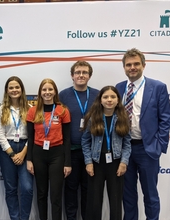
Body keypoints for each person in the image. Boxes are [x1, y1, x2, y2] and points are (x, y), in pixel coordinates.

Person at [115, 48, 170, 220]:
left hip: (147, 149)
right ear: (124, 67)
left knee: (150, 195)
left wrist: (159, 145)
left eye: (136, 64)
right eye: (128, 65)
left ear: (144, 65)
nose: (132, 67)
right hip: (125, 150)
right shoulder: (119, 88)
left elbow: (166, 119)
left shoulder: (157, 87)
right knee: (128, 195)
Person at [81, 86, 131, 220]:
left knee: (115, 201)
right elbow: (85, 141)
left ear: (118, 100)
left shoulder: (123, 118)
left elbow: (127, 143)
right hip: (96, 163)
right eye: (106, 97)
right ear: (100, 100)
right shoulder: (92, 118)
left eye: (113, 97)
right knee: (94, 201)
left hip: (116, 163)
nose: (109, 100)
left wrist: (124, 162)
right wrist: (88, 162)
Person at [26, 78, 72, 220]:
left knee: (56, 194)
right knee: (41, 193)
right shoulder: (33, 111)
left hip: (57, 155)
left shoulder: (62, 111)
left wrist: (68, 162)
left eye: (50, 89)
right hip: (38, 154)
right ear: (40, 92)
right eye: (44, 89)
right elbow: (30, 137)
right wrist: (29, 160)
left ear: (55, 92)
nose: (47, 92)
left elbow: (67, 138)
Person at [59, 60, 99, 220]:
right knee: (70, 189)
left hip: (92, 151)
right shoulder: (63, 95)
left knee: (88, 190)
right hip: (71, 151)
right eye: (77, 72)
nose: (81, 75)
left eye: (84, 72)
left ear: (89, 75)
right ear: (72, 76)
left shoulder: (97, 95)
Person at [0, 76, 33, 220]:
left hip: (25, 148)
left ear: (22, 89)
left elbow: (33, 134)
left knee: (27, 188)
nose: (14, 90)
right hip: (7, 150)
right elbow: (0, 134)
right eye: (11, 87)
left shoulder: (30, 108)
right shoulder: (1, 109)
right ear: (7, 90)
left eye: (17, 87)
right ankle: (14, 218)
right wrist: (12, 154)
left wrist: (23, 153)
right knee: (11, 189)